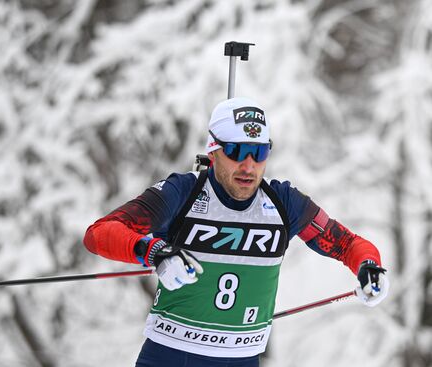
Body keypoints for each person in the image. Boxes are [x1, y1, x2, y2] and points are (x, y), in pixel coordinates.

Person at [83, 97, 389, 367]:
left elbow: (348, 244)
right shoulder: (183, 193)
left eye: (259, 152)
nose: (248, 165)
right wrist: (154, 252)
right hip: (173, 355)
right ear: (213, 151)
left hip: (242, 359)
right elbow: (100, 233)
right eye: (236, 151)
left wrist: (369, 267)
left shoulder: (284, 203)